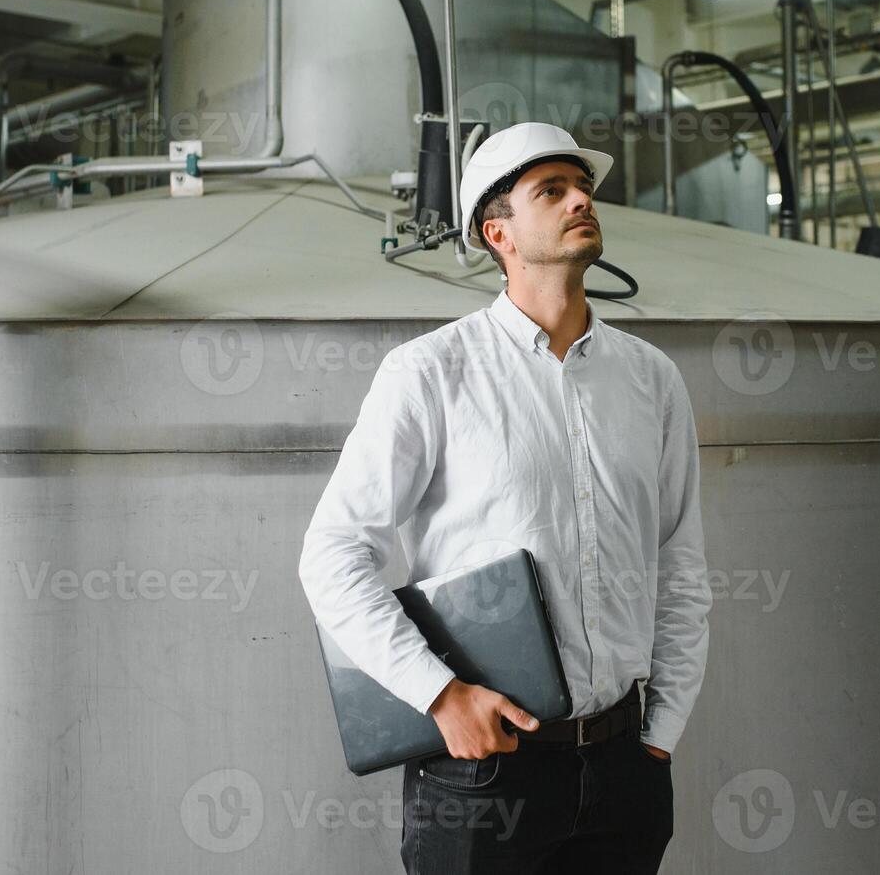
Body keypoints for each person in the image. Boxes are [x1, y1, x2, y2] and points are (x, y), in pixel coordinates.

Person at [299, 121, 711, 873]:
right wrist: (439, 696)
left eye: (582, 186)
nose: (581, 198)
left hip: (625, 767)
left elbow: (679, 560)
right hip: (483, 775)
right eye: (550, 191)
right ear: (499, 234)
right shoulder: (429, 374)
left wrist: (661, 731)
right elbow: (331, 554)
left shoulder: (652, 381)